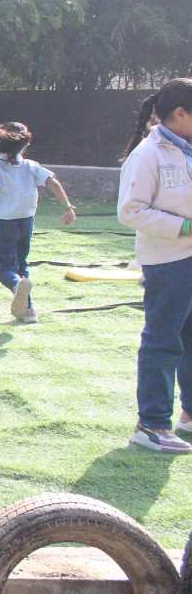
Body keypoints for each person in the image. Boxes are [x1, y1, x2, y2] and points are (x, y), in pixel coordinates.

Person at [118, 79, 192, 454]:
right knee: (163, 340)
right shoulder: (148, 154)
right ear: (179, 114)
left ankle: (189, 414)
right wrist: (185, 227)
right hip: (168, 261)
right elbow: (130, 211)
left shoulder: (187, 149)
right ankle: (152, 424)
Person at [0, 122, 75, 323]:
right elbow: (53, 182)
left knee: (6, 272)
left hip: (5, 223)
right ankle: (28, 311)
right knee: (22, 264)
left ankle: (18, 288)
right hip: (26, 222)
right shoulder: (32, 166)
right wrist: (68, 207)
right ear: (24, 145)